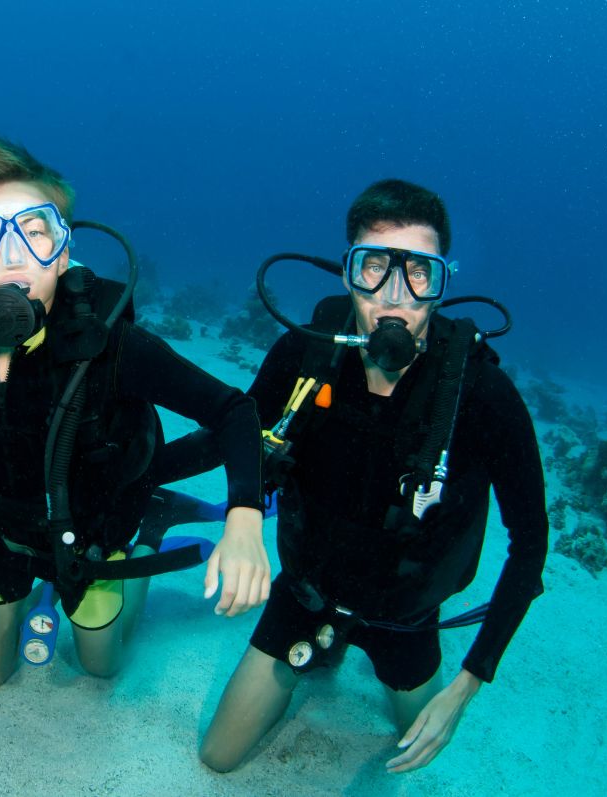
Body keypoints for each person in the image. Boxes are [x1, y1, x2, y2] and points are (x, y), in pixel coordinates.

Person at [0, 132, 271, 688]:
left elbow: (234, 410)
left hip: (95, 537)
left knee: (101, 667)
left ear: (62, 255)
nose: (13, 258)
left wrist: (244, 520)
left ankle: (151, 528)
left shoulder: (113, 345)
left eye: (35, 233)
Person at [175, 179, 548, 773]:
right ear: (348, 273)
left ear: (441, 282)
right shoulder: (307, 354)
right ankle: (324, 647)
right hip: (306, 594)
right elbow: (238, 433)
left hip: (406, 617)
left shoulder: (482, 395)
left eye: (419, 273)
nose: (394, 295)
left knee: (416, 752)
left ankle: (369, 655)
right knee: (218, 757)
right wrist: (147, 479)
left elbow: (530, 546)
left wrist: (469, 683)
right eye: (374, 267)